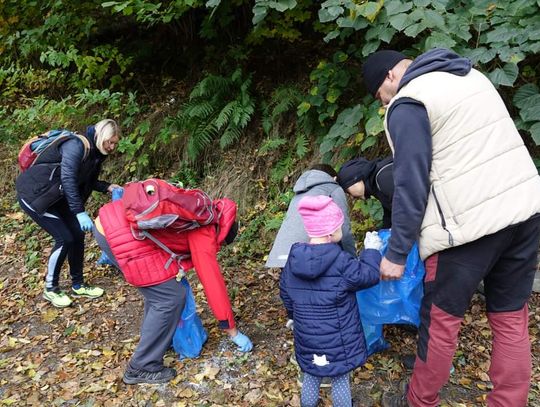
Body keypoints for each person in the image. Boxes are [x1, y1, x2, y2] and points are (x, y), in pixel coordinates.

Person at [362, 48, 540, 407]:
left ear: (390, 78)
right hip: (525, 210)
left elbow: (411, 183)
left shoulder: (409, 102)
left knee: (441, 320)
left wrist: (397, 253)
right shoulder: (472, 78)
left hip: (466, 226)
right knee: (510, 316)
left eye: (381, 97)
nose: (384, 105)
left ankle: (420, 400)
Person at [93, 193, 252, 385]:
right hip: (121, 233)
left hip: (110, 219)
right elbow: (213, 284)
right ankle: (142, 366)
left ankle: (160, 340)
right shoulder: (205, 233)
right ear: (222, 235)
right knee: (170, 297)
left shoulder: (204, 208)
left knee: (161, 291)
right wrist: (232, 331)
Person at [280, 195, 382, 407]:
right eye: (339, 225)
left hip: (307, 336)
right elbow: (369, 276)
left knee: (310, 374)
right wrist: (372, 251)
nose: (342, 229)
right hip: (339, 340)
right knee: (340, 378)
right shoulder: (341, 261)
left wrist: (292, 316)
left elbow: (286, 291)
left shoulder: (294, 258)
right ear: (329, 232)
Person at [16, 119, 122, 308]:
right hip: (34, 196)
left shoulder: (96, 153)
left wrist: (106, 187)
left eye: (115, 143)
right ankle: (51, 289)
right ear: (101, 137)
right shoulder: (76, 145)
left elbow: (86, 180)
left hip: (56, 196)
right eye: (110, 142)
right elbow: (68, 178)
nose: (112, 147)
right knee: (64, 238)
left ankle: (78, 284)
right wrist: (79, 212)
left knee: (77, 234)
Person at [266, 164, 355, 269]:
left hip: (283, 254)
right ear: (334, 178)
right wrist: (352, 259)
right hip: (310, 256)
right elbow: (343, 228)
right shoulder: (334, 188)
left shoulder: (299, 191)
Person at [337, 156, 394, 228]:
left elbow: (405, 208)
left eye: (348, 192)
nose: (351, 197)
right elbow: (390, 214)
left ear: (355, 180)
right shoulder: (375, 184)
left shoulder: (383, 178)